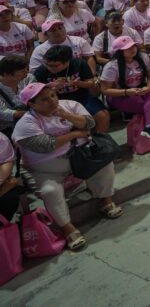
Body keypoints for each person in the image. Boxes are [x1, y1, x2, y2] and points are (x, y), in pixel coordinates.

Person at [13, 83, 122, 251]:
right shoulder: (26, 123)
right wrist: (75, 133)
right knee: (50, 191)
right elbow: (47, 145)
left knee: (105, 164)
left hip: (80, 157)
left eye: (53, 95)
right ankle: (67, 228)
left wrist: (66, 115)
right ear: (31, 104)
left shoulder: (69, 105)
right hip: (45, 170)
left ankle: (106, 201)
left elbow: (89, 123)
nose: (52, 101)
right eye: (44, 99)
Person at [99, 36, 150, 149]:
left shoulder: (143, 57)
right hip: (119, 96)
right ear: (119, 52)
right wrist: (126, 92)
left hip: (140, 90)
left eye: (133, 46)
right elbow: (105, 90)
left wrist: (148, 87)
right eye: (127, 48)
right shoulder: (111, 66)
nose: (132, 49)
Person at [32, 45, 111, 134]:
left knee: (102, 115)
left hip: (82, 98)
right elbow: (38, 96)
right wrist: (53, 89)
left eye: (55, 66)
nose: (49, 68)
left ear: (67, 62)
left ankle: (101, 140)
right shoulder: (41, 71)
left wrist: (79, 83)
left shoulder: (79, 64)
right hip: (58, 102)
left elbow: (90, 83)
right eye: (47, 65)